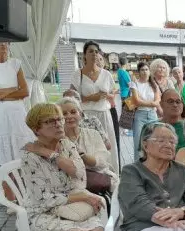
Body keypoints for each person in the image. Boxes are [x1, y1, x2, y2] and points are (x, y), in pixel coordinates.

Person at [21, 103, 105, 231]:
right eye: (50, 121)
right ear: (36, 129)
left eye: (58, 119)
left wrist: (51, 154)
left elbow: (79, 175)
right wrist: (79, 197)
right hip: (43, 213)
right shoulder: (29, 157)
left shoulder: (67, 145)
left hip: (71, 210)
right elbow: (43, 199)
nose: (59, 124)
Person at [0, 42, 35, 168]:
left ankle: (20, 186)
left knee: (21, 154)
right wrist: (14, 89)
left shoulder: (15, 63)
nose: (3, 44)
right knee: (1, 156)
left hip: (16, 115)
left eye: (6, 42)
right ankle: (4, 186)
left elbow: (25, 91)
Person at [70, 41, 119, 173]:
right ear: (84, 55)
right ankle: (90, 177)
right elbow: (72, 97)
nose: (94, 54)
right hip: (85, 116)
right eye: (90, 51)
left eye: (96, 51)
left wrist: (106, 95)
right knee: (88, 146)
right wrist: (91, 97)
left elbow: (113, 91)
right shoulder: (77, 74)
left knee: (108, 146)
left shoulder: (106, 74)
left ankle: (111, 176)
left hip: (103, 114)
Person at [57, 97, 119, 191]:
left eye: (73, 112)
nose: (69, 116)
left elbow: (102, 163)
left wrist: (82, 155)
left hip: (98, 178)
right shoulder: (57, 140)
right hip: (71, 185)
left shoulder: (93, 134)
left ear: (80, 114)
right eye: (64, 114)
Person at [129, 61, 161, 161]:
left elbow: (158, 99)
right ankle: (138, 166)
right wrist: (152, 104)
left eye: (146, 69)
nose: (145, 72)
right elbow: (136, 101)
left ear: (149, 71)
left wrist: (153, 103)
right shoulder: (134, 84)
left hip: (152, 115)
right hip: (140, 115)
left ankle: (152, 163)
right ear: (138, 72)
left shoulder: (153, 84)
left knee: (154, 140)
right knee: (139, 142)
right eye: (142, 70)